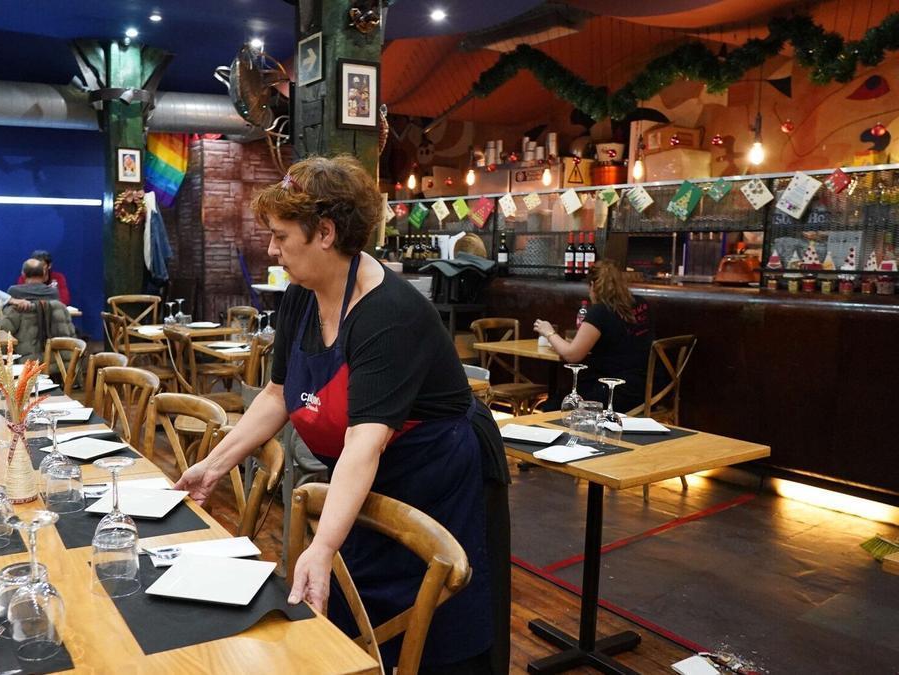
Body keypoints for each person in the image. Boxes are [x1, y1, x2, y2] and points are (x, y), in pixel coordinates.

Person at [174, 156, 509, 673]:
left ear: (325, 233)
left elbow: (365, 443)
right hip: (364, 478)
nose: (271, 248)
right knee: (359, 616)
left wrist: (323, 543)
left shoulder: (388, 314)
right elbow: (276, 396)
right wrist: (214, 465)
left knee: (439, 628)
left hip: (434, 476)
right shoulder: (300, 298)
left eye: (281, 236)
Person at [533, 260, 661, 412]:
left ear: (593, 285)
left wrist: (548, 332)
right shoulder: (641, 303)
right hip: (650, 389)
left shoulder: (600, 311)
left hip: (615, 391)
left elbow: (572, 355)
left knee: (551, 408)